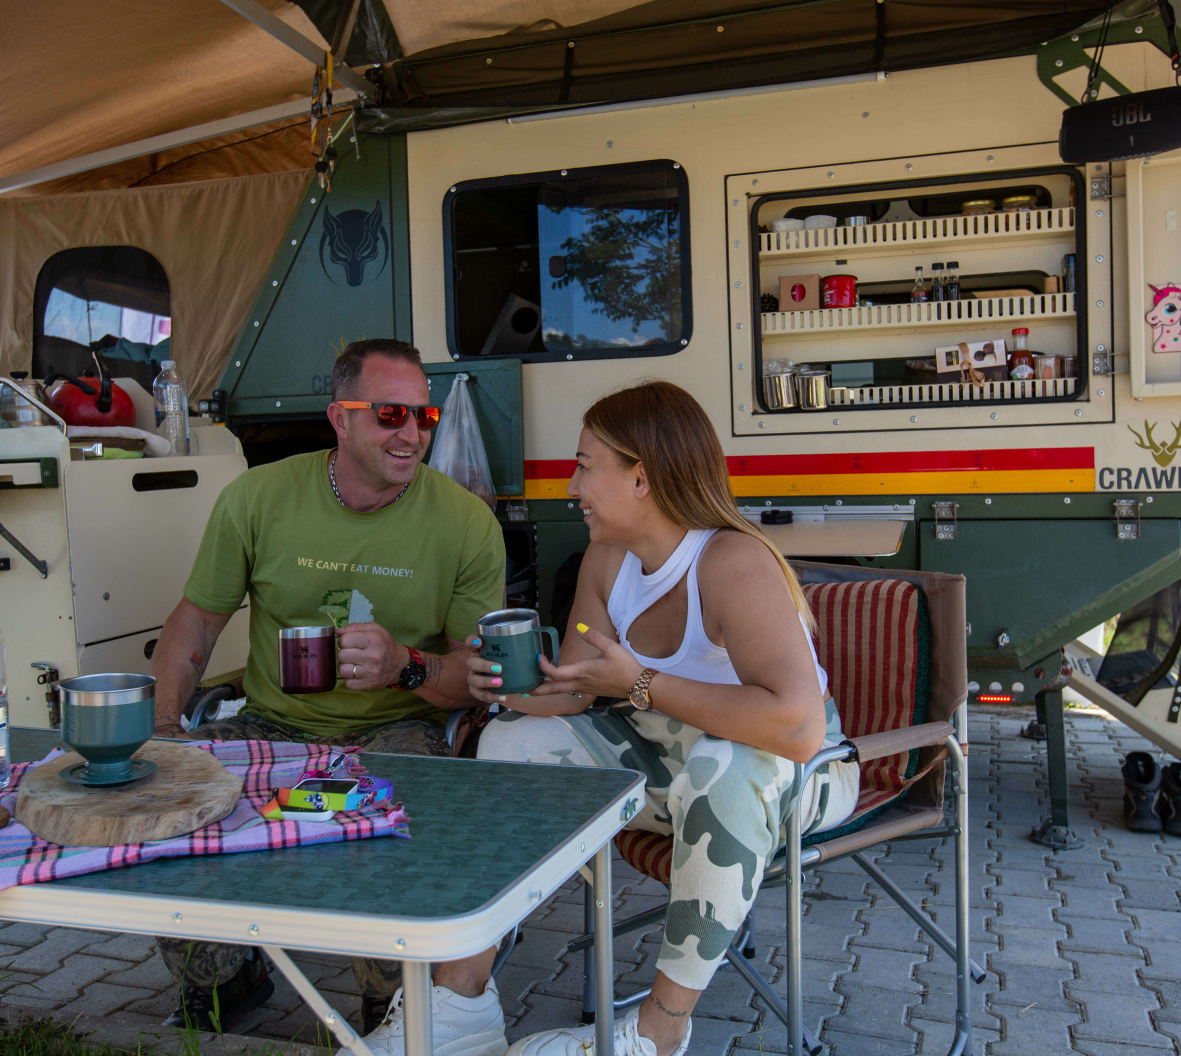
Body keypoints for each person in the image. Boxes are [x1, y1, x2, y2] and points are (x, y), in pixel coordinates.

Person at [366, 380, 860, 1056]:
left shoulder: (731, 562)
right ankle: (460, 1002)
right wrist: (504, 691)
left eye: (584, 466)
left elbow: (796, 728)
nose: (572, 486)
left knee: (721, 764)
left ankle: (660, 1030)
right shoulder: (607, 559)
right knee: (513, 742)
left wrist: (640, 683)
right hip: (665, 760)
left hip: (796, 772)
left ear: (641, 477)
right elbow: (573, 692)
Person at [148, 338, 508, 1049]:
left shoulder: (466, 521)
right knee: (171, 799)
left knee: (388, 833)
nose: (412, 433)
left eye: (425, 415)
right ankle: (225, 975)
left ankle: (389, 1004)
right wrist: (163, 726)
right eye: (390, 414)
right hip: (272, 722)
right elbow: (197, 620)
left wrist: (407, 666)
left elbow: (479, 675)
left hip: (398, 730)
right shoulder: (258, 497)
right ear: (340, 419)